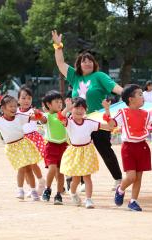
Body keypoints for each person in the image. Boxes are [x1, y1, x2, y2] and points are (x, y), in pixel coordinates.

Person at [52, 30, 123, 190]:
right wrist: (58, 46)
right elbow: (61, 64)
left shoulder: (99, 76)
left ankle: (118, 179)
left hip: (97, 118)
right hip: (77, 119)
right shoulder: (75, 77)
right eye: (84, 61)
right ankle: (81, 181)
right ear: (79, 64)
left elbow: (114, 87)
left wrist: (126, 93)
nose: (87, 63)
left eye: (90, 61)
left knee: (104, 148)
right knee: (78, 148)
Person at [103, 84, 152, 211]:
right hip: (128, 148)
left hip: (142, 147)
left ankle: (133, 201)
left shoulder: (145, 114)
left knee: (138, 177)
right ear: (130, 99)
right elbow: (111, 125)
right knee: (131, 177)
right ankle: (120, 189)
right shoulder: (123, 113)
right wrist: (107, 110)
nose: (143, 97)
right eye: (140, 94)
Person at [59, 97, 112, 209]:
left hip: (87, 151)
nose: (79, 110)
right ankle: (73, 193)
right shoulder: (69, 122)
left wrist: (107, 110)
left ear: (86, 110)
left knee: (87, 177)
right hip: (74, 153)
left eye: (82, 108)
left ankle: (88, 199)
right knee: (76, 179)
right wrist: (66, 108)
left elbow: (109, 127)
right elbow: (60, 117)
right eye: (76, 107)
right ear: (72, 109)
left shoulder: (89, 122)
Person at [16, 86, 46, 196]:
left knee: (33, 164)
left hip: (33, 139)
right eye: (23, 98)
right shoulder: (15, 111)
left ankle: (41, 181)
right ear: (18, 100)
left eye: (29, 98)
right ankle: (32, 187)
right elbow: (2, 105)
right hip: (20, 140)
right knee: (24, 167)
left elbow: (43, 120)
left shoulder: (34, 111)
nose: (26, 101)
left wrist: (39, 116)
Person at [41, 90, 68, 205]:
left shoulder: (63, 115)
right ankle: (47, 189)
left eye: (60, 102)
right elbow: (42, 119)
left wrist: (70, 108)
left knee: (61, 172)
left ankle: (58, 194)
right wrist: (38, 115)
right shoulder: (47, 116)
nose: (59, 104)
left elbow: (65, 117)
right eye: (56, 102)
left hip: (64, 146)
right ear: (48, 104)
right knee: (52, 169)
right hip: (51, 147)